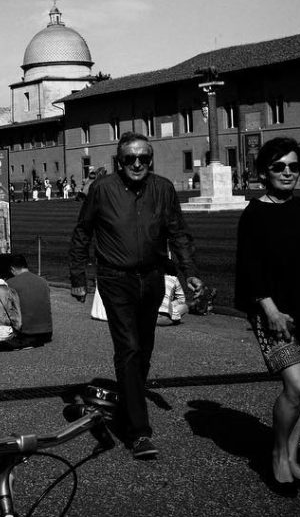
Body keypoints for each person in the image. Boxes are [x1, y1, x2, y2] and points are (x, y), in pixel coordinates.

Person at [68, 131, 205, 460]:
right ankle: (139, 432)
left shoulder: (163, 188)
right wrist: (78, 277)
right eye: (131, 158)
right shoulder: (102, 189)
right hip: (116, 278)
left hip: (153, 277)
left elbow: (178, 232)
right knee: (128, 348)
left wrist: (190, 273)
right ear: (119, 161)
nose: (138, 164)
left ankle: (129, 404)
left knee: (144, 348)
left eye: (144, 158)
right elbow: (82, 232)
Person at [235, 137, 300, 492]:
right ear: (264, 172)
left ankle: (291, 455)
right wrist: (271, 310)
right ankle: (277, 455)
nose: (287, 172)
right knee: (298, 385)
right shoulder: (255, 213)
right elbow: (249, 268)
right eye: (278, 166)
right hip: (274, 312)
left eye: (293, 166)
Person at [7, 254, 53, 347]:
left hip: (26, 333)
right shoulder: (43, 281)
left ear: (12, 269)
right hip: (47, 332)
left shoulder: (10, 283)